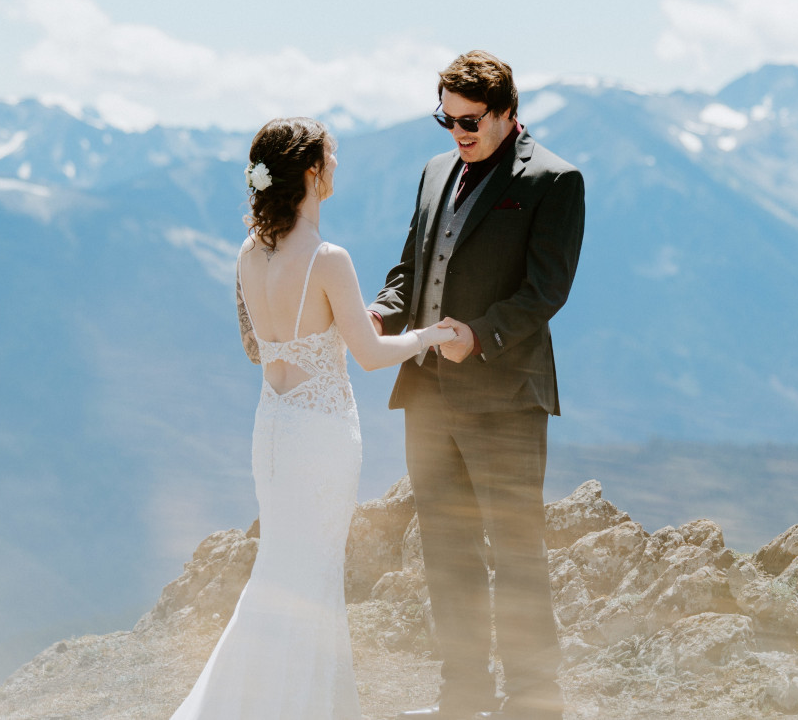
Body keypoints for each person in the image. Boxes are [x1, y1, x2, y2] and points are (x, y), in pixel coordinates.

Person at [169, 117, 457, 720]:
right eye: (331, 156)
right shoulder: (328, 258)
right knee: (311, 577)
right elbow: (371, 358)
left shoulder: (249, 254)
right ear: (310, 172)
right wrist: (429, 333)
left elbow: (257, 347)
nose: (336, 165)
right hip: (321, 435)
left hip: (271, 429)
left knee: (279, 569)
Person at [370, 51, 585, 720]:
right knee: (446, 552)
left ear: (507, 112)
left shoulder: (554, 178)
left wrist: (480, 334)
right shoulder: (436, 171)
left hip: (505, 401)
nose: (456, 132)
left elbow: (546, 290)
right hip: (426, 398)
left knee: (516, 552)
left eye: (469, 120)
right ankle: (461, 699)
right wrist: (379, 311)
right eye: (447, 118)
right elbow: (412, 267)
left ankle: (533, 703)